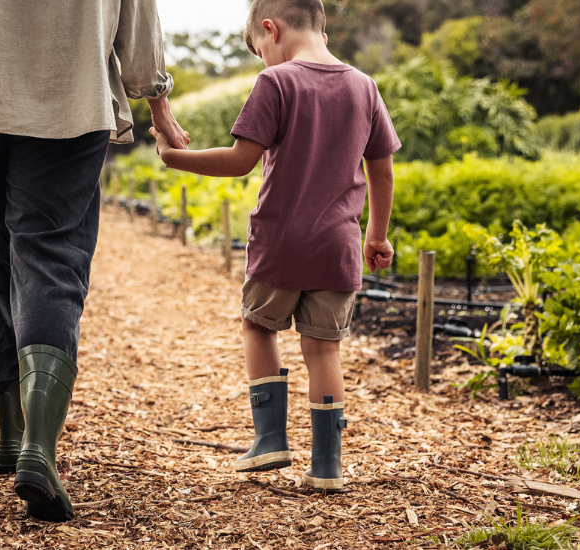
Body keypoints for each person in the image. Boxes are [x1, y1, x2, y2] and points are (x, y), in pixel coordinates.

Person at [0, 0, 189, 522]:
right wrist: (158, 106)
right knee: (51, 259)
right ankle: (36, 444)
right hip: (74, 104)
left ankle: (10, 432)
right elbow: (139, 21)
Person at [151, 0, 400, 492]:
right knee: (323, 351)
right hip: (338, 247)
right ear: (322, 31)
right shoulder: (364, 86)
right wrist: (376, 234)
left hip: (280, 242)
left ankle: (269, 440)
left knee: (258, 326)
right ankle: (327, 467)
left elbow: (242, 160)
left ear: (272, 29)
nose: (262, 59)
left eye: (259, 49)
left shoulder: (277, 82)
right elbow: (382, 169)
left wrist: (174, 158)